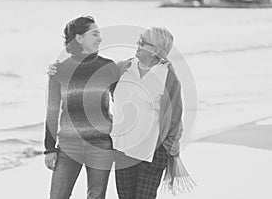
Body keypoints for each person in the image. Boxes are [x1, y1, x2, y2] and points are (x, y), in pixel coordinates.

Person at [47, 27, 195, 199]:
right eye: (139, 39)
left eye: (143, 42)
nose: (137, 45)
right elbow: (89, 74)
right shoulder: (123, 67)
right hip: (122, 150)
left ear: (155, 50)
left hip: (152, 152)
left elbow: (175, 117)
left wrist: (170, 150)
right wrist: (58, 69)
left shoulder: (168, 77)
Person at [44, 16, 119, 199]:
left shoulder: (108, 66)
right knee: (57, 196)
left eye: (99, 34)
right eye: (94, 34)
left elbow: (125, 99)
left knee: (96, 196)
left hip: (100, 145)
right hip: (69, 146)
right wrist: (49, 148)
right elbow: (52, 111)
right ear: (79, 38)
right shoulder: (59, 70)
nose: (100, 39)